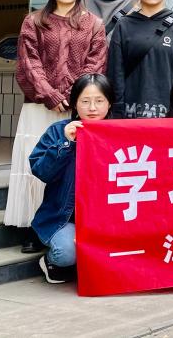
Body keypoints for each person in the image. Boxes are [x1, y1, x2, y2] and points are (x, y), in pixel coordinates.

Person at [7, 0, 107, 253]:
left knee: (66, 169)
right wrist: (50, 94)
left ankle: (59, 223)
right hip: (39, 106)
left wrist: (73, 96)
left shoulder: (93, 23)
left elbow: (95, 64)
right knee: (36, 164)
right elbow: (29, 62)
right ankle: (30, 228)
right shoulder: (34, 21)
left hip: (76, 109)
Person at [30, 73, 113, 284]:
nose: (92, 108)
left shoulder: (118, 134)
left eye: (99, 101)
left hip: (103, 219)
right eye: (85, 101)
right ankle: (51, 261)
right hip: (63, 219)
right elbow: (41, 171)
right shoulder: (59, 131)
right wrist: (66, 143)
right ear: (75, 103)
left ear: (109, 103)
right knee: (67, 254)